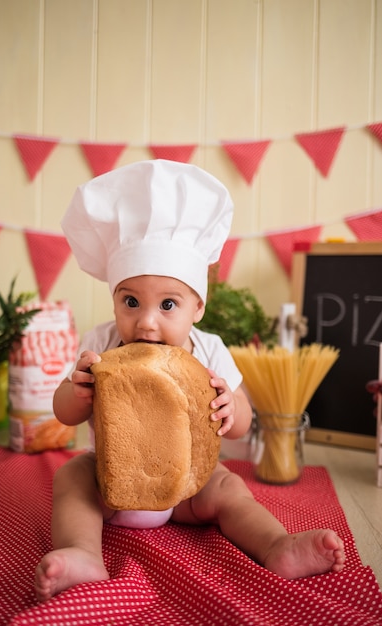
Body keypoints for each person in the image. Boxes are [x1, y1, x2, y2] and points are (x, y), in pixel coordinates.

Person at [35, 160, 345, 602]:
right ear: (114, 299)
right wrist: (78, 389)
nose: (146, 322)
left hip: (187, 488)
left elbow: (241, 425)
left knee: (229, 487)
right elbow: (64, 414)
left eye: (167, 305)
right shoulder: (100, 342)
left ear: (197, 306)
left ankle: (276, 545)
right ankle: (83, 552)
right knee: (70, 477)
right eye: (130, 301)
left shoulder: (209, 349)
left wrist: (229, 407)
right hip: (110, 482)